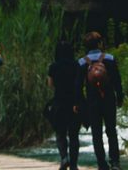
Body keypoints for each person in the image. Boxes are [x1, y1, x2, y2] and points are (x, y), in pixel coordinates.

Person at [74, 32, 124, 170]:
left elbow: (78, 86)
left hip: (92, 102)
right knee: (111, 131)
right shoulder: (110, 58)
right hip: (108, 99)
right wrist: (120, 97)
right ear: (100, 43)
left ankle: (102, 164)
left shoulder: (82, 62)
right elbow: (117, 81)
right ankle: (115, 162)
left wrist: (80, 103)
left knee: (96, 133)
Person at [47, 40, 81, 170]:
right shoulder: (76, 65)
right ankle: (74, 164)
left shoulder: (53, 66)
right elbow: (80, 83)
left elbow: (50, 84)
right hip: (74, 103)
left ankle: (64, 158)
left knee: (60, 133)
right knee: (74, 135)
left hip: (59, 102)